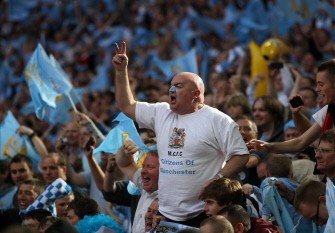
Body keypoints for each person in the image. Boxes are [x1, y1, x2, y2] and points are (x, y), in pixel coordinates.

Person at [113, 41, 249, 227]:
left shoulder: (218, 120)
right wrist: (121, 72)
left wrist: (217, 178)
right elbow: (126, 105)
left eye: (178, 86)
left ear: (196, 93)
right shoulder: (161, 112)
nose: (171, 90)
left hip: (202, 214)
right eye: (170, 86)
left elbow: (241, 155)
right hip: (166, 213)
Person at [248, 59, 335, 157]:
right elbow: (300, 142)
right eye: (317, 84)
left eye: (321, 84)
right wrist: (267, 146)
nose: (317, 89)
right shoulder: (328, 111)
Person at [114, 140, 159, 233]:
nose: (143, 171)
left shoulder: (172, 200)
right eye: (143, 166)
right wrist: (124, 150)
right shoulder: (144, 184)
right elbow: (124, 164)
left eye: (150, 167)